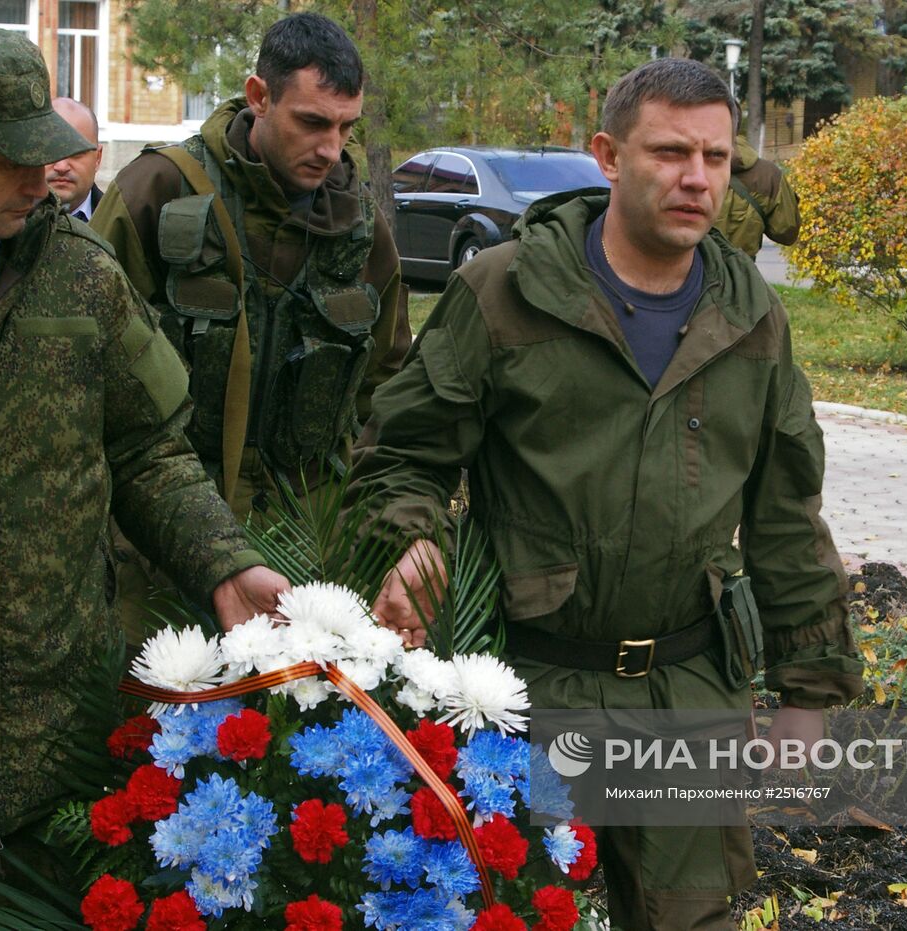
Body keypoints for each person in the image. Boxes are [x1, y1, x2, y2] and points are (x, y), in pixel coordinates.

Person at [348, 58, 863, 930]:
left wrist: (807, 693)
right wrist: (411, 536)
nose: (696, 179)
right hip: (528, 684)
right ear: (607, 156)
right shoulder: (506, 291)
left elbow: (786, 514)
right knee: (510, 910)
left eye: (716, 158)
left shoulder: (751, 318)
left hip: (692, 684)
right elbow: (403, 451)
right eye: (668, 152)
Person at [0, 23, 288, 928]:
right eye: (13, 158)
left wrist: (224, 562)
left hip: (65, 769)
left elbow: (150, 451)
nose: (42, 177)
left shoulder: (83, 280)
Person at [92, 11, 406, 520]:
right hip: (167, 531)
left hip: (312, 533)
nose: (331, 149)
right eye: (312, 122)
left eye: (347, 126)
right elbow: (86, 363)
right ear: (260, 96)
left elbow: (387, 382)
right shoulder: (158, 191)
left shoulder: (360, 223)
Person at [713, 133, 800, 256]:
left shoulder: (689, 168)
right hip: (741, 271)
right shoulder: (770, 174)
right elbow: (786, 232)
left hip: (689, 271)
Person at [47, 96, 104, 220]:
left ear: (98, 158)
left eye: (76, 152)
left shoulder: (125, 227)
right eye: (50, 150)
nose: (61, 167)